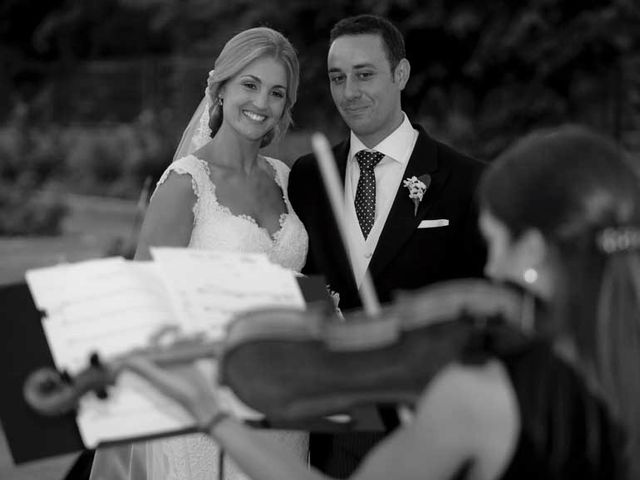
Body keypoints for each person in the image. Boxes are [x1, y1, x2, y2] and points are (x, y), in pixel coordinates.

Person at [124, 125, 639, 479]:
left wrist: (210, 415)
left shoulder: (481, 394)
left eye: (496, 243)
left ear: (531, 250)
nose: (492, 268)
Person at [89, 27, 309, 480]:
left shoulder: (287, 180)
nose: (261, 103)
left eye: (276, 92)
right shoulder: (187, 183)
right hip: (207, 413)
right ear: (221, 87)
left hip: (281, 406)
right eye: (250, 85)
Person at [287, 14, 487, 476]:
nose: (349, 92)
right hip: (334, 418)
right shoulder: (309, 175)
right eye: (338, 78)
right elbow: (306, 274)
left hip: (426, 421)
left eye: (364, 74)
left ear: (401, 74)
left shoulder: (468, 182)